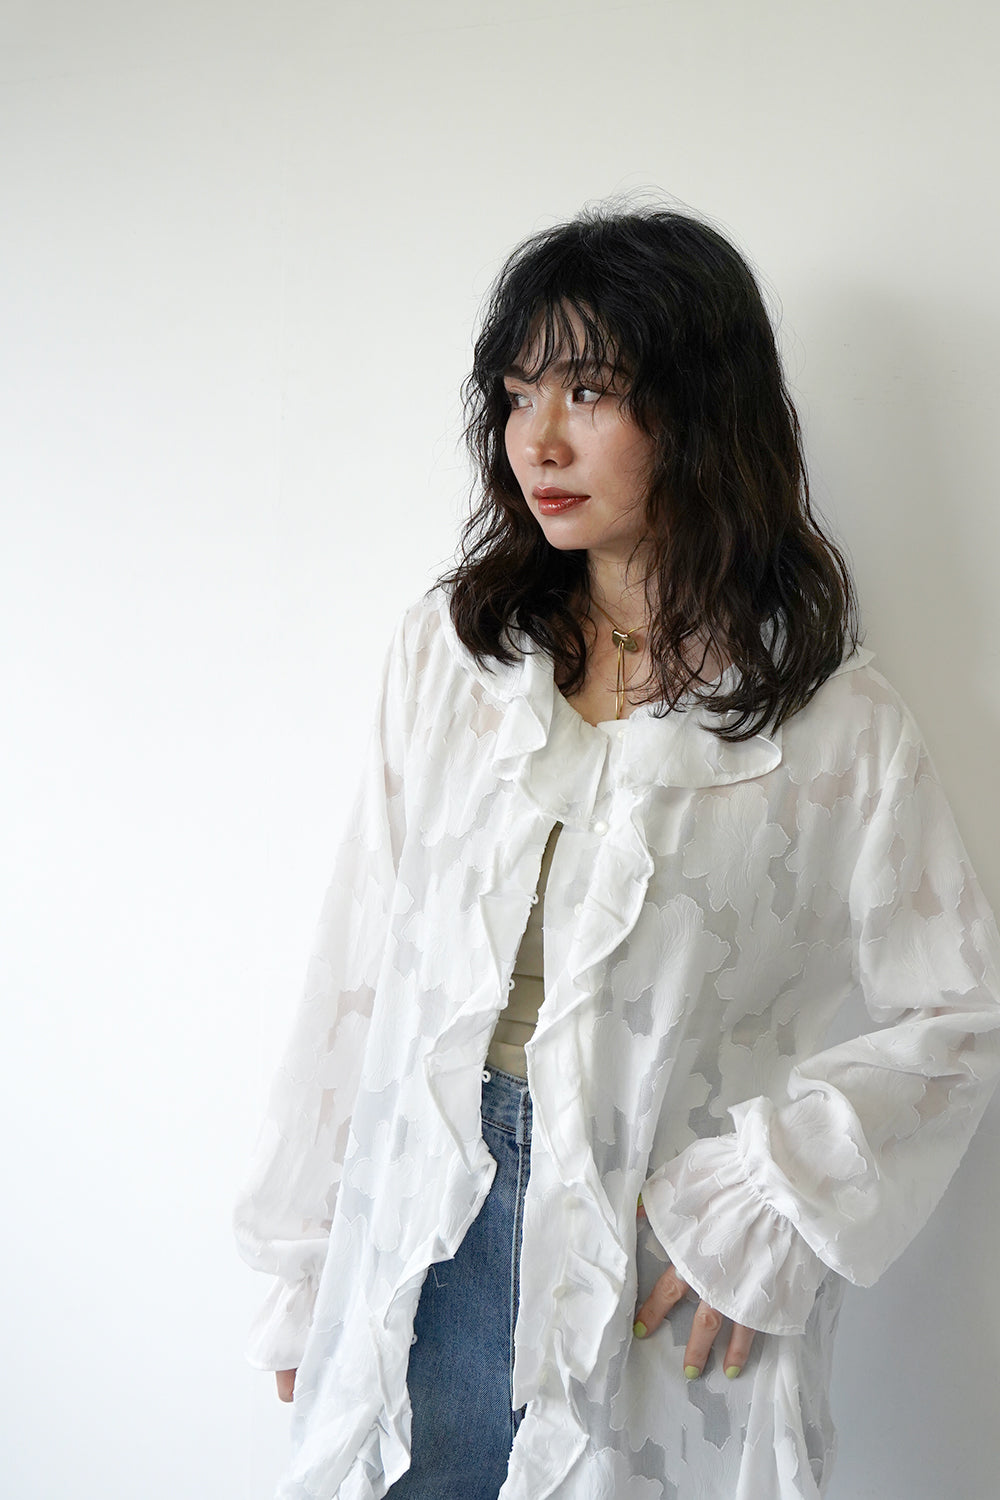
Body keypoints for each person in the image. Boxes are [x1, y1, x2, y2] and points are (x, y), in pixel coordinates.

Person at [234, 205, 1000, 1500]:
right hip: (427, 1226)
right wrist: (310, 1257)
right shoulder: (459, 661)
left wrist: (765, 1199)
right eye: (518, 393)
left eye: (588, 392)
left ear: (699, 411)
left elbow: (954, 1014)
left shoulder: (832, 722)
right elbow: (361, 960)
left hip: (654, 1248)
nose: (538, 439)